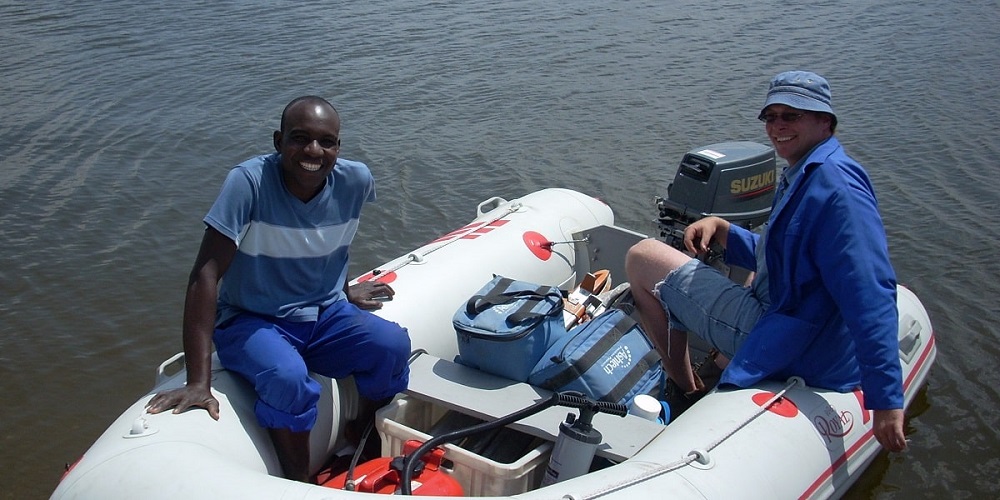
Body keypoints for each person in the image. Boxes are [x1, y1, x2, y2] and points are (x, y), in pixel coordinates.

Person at [625, 71, 907, 452]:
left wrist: (886, 400)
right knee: (745, 273)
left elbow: (870, 291)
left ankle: (685, 389)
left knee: (643, 258)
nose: (777, 127)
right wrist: (724, 228)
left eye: (791, 115)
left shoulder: (838, 190)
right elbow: (790, 253)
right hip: (804, 326)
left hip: (792, 341)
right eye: (770, 117)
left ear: (825, 120)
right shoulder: (810, 172)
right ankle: (710, 368)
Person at [146, 96, 412, 481]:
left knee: (390, 345)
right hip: (252, 320)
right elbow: (205, 276)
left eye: (326, 142)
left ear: (338, 147)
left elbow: (332, 238)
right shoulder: (249, 183)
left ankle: (363, 434)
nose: (313, 151)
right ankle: (299, 481)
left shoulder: (355, 181)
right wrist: (198, 381)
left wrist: (343, 289)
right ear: (278, 141)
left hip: (324, 313)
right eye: (299, 138)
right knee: (288, 380)